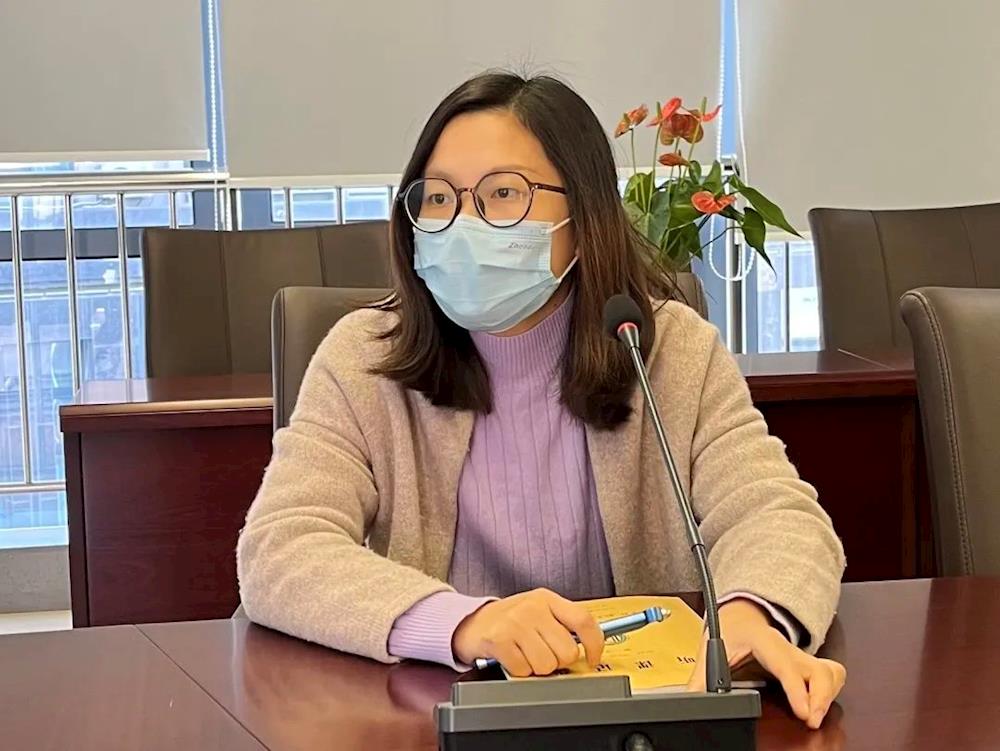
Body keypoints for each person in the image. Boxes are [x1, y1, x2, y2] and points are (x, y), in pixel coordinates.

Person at [237, 71, 846, 729]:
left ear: (583, 218)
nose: (463, 224)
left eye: (504, 193)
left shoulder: (668, 351)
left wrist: (750, 614)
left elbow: (775, 513)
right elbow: (280, 547)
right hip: (435, 720)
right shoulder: (364, 358)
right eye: (438, 198)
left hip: (639, 720)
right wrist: (466, 622)